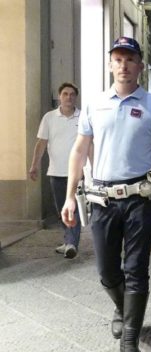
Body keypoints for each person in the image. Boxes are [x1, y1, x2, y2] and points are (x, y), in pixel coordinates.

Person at [61, 36, 151, 351]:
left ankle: (129, 340)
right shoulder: (94, 104)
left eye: (129, 59)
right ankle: (122, 307)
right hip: (103, 200)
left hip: (141, 201)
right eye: (118, 59)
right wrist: (70, 195)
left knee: (136, 269)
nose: (123, 65)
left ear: (140, 65)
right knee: (107, 271)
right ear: (110, 64)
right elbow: (79, 149)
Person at [29, 82, 82, 259]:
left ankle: (72, 243)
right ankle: (68, 240)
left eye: (72, 94)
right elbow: (41, 143)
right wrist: (34, 165)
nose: (69, 97)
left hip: (76, 174)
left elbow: (89, 145)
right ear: (60, 96)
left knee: (73, 208)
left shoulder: (82, 117)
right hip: (56, 172)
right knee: (61, 210)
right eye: (65, 94)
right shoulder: (49, 118)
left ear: (76, 97)